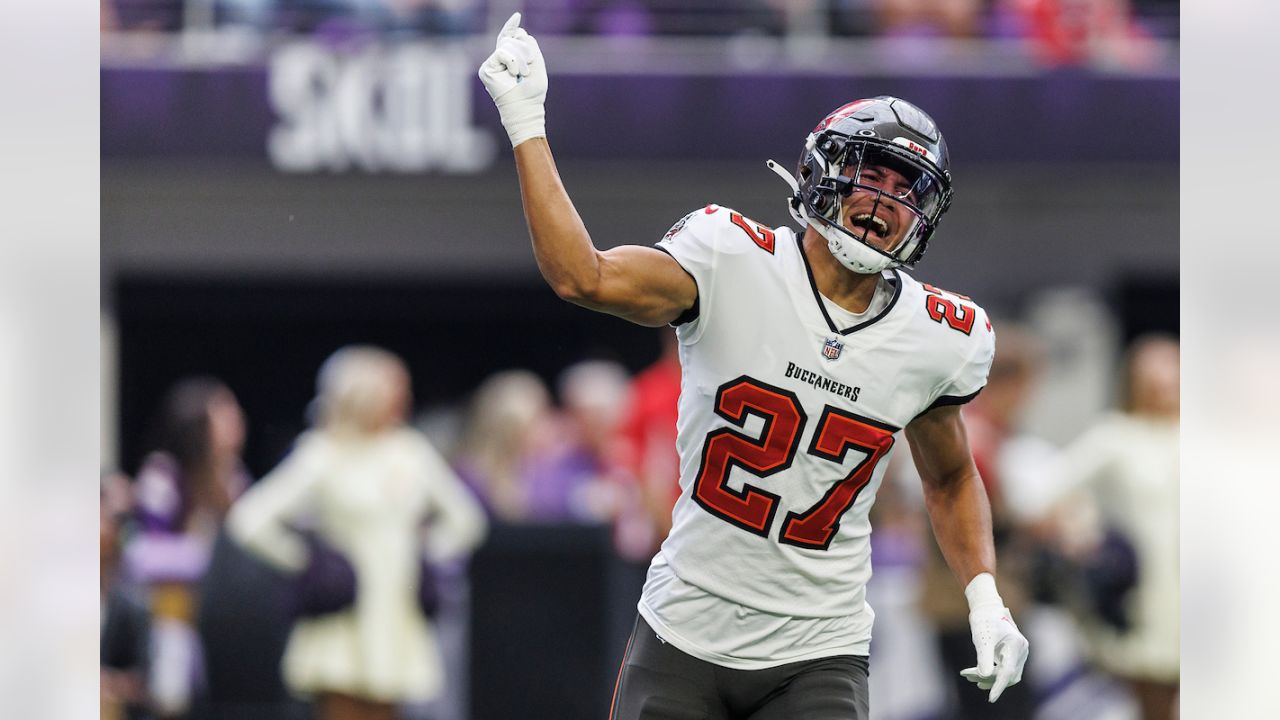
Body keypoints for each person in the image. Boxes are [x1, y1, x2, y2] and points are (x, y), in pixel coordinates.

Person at [478, 14, 1029, 719]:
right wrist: (526, 121)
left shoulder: (938, 334)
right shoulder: (731, 259)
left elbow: (949, 474)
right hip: (683, 632)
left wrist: (983, 595)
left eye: (907, 187)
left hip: (818, 649)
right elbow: (583, 278)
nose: (885, 201)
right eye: (870, 175)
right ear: (824, 170)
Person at [227, 346, 488, 720]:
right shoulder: (321, 453)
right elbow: (249, 519)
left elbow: (466, 519)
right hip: (341, 617)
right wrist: (306, 561)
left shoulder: (409, 452)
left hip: (395, 616)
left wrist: (426, 554)